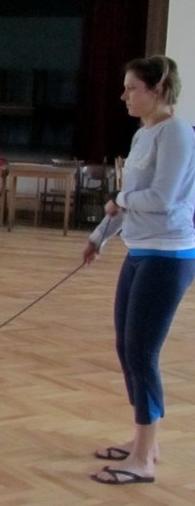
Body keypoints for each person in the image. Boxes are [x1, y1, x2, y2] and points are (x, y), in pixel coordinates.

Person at [83, 55, 195, 486]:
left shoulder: (177, 133)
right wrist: (99, 236)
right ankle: (144, 441)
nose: (124, 95)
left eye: (132, 88)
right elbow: (129, 197)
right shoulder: (143, 134)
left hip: (169, 256)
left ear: (158, 90)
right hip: (140, 251)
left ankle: (144, 460)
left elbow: (161, 199)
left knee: (142, 352)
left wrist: (119, 201)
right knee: (126, 348)